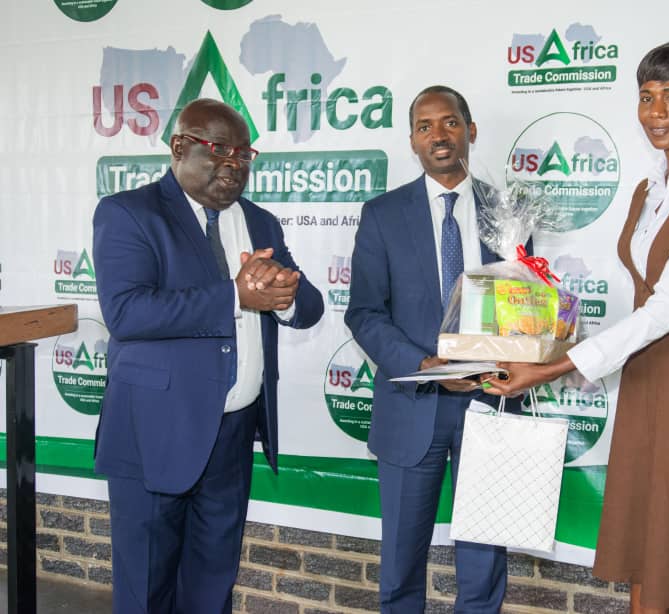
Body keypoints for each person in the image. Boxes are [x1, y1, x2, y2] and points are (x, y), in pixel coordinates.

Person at [483, 41, 669, 614]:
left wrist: (551, 369)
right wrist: (546, 328)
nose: (657, 112)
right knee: (650, 546)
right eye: (647, 98)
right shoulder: (649, 189)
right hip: (646, 379)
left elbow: (667, 307)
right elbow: (640, 299)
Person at [93, 98, 324, 613]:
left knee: (212, 583)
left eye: (244, 153)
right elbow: (127, 313)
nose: (234, 163)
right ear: (179, 147)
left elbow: (308, 306)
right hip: (155, 431)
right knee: (147, 588)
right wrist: (235, 296)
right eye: (219, 149)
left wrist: (283, 294)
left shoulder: (261, 222)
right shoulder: (130, 213)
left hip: (233, 435)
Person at [345, 85, 518, 613]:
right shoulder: (382, 214)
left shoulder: (508, 212)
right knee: (400, 562)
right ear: (412, 141)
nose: (438, 135)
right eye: (425, 126)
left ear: (471, 130)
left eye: (449, 122)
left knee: (484, 559)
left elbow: (525, 304)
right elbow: (364, 312)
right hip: (411, 404)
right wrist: (424, 366)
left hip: (490, 402)